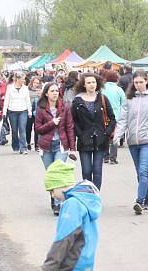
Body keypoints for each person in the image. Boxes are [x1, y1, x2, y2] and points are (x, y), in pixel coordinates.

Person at [113, 71, 148, 214]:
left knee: (143, 171)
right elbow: (123, 120)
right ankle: (147, 197)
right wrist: (117, 136)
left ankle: (139, 201)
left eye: (141, 82)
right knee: (140, 173)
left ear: (146, 81)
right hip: (133, 141)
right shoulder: (129, 99)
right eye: (136, 82)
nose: (138, 85)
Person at [35, 82, 76, 214]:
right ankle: (54, 198)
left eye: (56, 91)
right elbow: (38, 129)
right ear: (46, 93)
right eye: (52, 91)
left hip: (60, 145)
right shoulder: (41, 108)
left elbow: (69, 127)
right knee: (50, 174)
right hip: (46, 145)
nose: (55, 93)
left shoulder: (65, 107)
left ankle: (58, 204)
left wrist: (73, 147)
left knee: (58, 173)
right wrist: (51, 123)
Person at [70, 73, 115, 189]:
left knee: (97, 171)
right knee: (86, 171)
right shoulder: (77, 101)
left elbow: (112, 118)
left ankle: (95, 197)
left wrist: (106, 133)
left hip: (100, 140)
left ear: (97, 83)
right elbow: (72, 120)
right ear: (84, 85)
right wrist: (80, 134)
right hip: (84, 140)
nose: (91, 85)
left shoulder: (102, 98)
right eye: (88, 82)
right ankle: (87, 195)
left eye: (93, 82)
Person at [2, 71, 32, 154]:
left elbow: (27, 100)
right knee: (14, 130)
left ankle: (23, 148)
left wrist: (29, 112)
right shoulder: (10, 87)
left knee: (22, 129)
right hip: (12, 111)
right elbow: (6, 100)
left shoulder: (25, 88)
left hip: (23, 111)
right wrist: (4, 113)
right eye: (22, 79)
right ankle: (15, 144)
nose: (24, 81)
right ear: (17, 79)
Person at [100, 69, 125, 165]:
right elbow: (124, 103)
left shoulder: (102, 89)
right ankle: (113, 158)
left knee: (105, 135)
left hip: (103, 116)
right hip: (116, 116)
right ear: (116, 79)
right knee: (114, 137)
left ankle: (105, 156)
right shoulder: (119, 90)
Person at [26, 76, 42, 152]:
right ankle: (28, 142)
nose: (36, 84)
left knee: (37, 129)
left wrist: (41, 95)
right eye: (35, 82)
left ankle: (37, 145)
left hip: (37, 111)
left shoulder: (40, 90)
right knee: (28, 128)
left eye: (38, 83)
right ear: (32, 82)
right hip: (29, 110)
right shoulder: (27, 89)